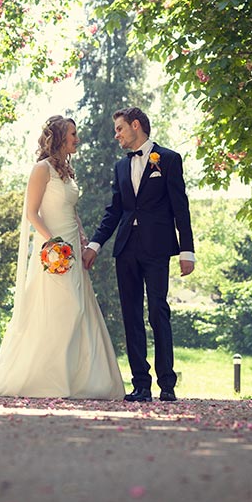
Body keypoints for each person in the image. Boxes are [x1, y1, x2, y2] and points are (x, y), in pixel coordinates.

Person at [0, 115, 125, 399]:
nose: (77, 139)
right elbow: (31, 213)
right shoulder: (42, 170)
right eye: (73, 134)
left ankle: (82, 381)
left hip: (73, 247)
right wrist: (53, 243)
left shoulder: (68, 172)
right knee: (61, 309)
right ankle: (47, 379)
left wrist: (84, 240)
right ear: (59, 137)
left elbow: (71, 211)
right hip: (53, 251)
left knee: (80, 309)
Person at [82, 107, 195, 402]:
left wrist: (187, 250)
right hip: (126, 248)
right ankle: (141, 385)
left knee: (158, 311)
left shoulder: (168, 160)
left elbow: (180, 208)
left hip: (157, 247)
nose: (116, 135)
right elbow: (114, 211)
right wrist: (95, 244)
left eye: (119, 128)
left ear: (135, 125)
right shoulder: (121, 167)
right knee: (131, 315)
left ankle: (167, 384)